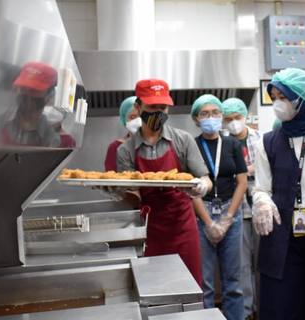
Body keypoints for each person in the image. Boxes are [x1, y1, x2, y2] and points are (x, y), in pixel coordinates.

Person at [112, 79, 213, 288]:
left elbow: (205, 179)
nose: (158, 112)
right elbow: (134, 196)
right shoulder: (126, 150)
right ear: (138, 108)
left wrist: (201, 187)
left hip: (183, 225)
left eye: (163, 107)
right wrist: (116, 192)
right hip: (151, 229)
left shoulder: (182, 140)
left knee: (190, 285)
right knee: (155, 288)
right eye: (152, 107)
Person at [252, 68, 305, 320]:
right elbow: (261, 187)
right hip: (280, 232)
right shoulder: (268, 141)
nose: (278, 104)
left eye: (283, 97)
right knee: (280, 306)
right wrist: (261, 200)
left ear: (301, 99)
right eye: (274, 98)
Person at [191, 94, 247, 320]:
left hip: (231, 213)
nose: (210, 117)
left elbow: (242, 182)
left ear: (221, 116)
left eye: (215, 113)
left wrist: (227, 218)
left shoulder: (232, 143)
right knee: (203, 282)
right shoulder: (191, 145)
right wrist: (208, 223)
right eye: (204, 113)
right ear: (196, 119)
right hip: (200, 213)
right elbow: (190, 187)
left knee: (233, 281)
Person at [221, 97, 261, 320]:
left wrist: (245, 171)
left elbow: (268, 169)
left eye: (238, 118)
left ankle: (265, 309)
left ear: (245, 116)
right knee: (242, 265)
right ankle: (247, 312)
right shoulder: (222, 143)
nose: (234, 122)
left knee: (265, 262)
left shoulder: (259, 138)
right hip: (237, 210)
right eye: (229, 119)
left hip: (261, 208)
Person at [1, 61, 60, 147]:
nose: (26, 94)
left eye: (33, 90)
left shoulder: (50, 139)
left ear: (49, 96)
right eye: (22, 88)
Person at [105, 96, 141, 171]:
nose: (138, 121)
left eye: (142, 117)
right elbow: (111, 178)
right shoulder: (116, 147)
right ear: (124, 119)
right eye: (132, 117)